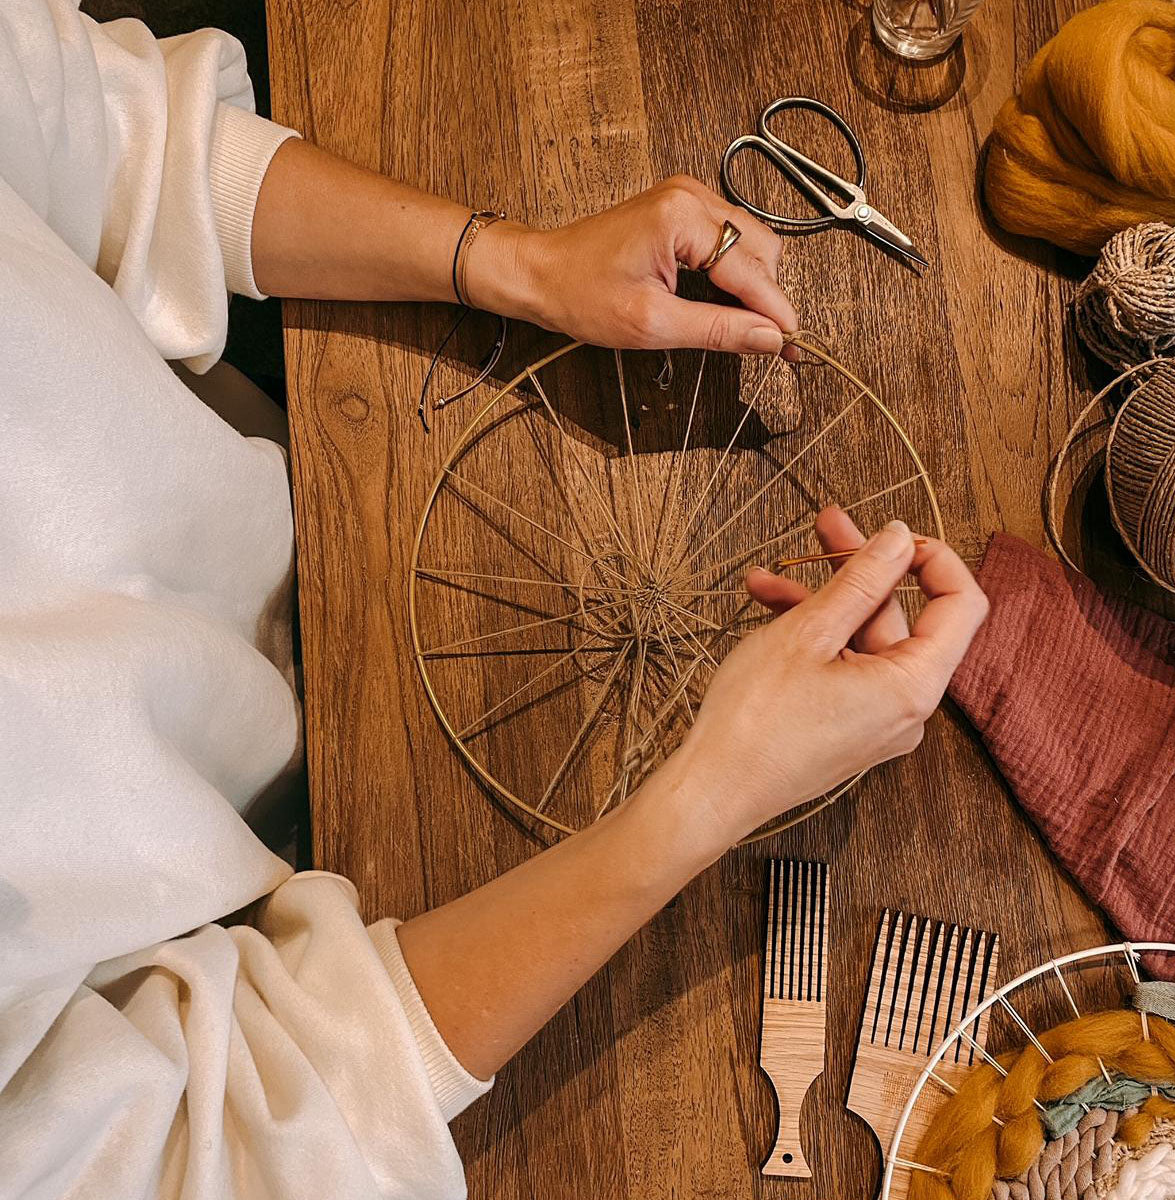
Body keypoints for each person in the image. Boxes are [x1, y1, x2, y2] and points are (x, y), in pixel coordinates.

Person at [0, 3, 989, 1198]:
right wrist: (709, 795)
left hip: (306, 508)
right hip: (320, 919)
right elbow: (214, 1158)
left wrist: (519, 262)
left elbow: (124, 144)